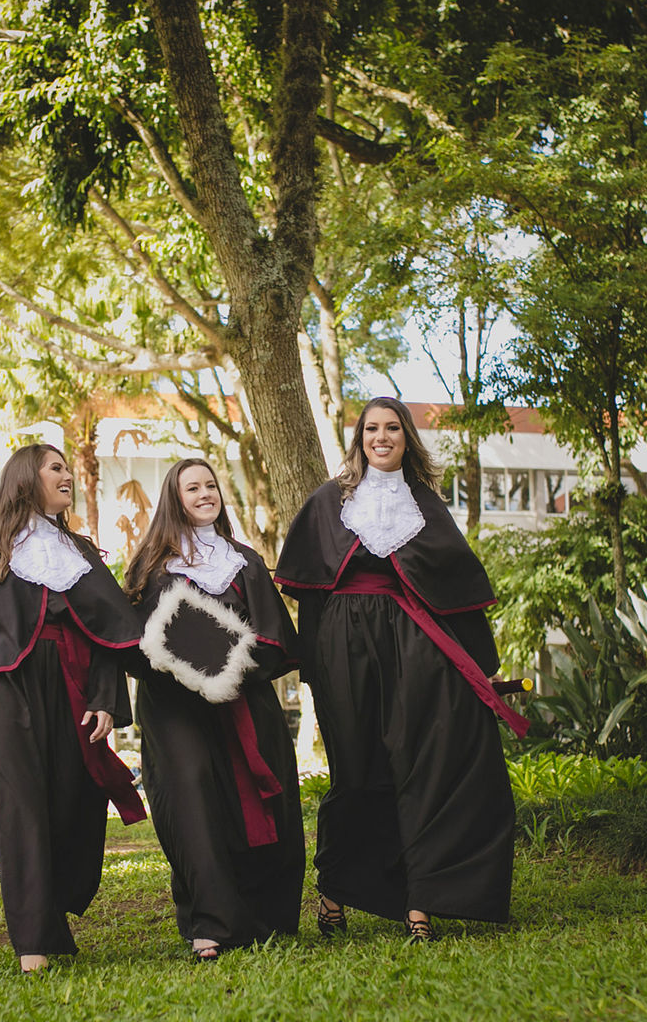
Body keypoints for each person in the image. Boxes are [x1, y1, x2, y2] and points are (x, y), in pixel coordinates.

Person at [275, 397, 529, 943]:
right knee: (354, 768)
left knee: (420, 760)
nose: (381, 437)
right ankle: (336, 889)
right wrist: (314, 664)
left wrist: (480, 667)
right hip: (344, 641)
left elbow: (454, 594)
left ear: (406, 438)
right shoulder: (328, 500)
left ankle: (421, 901)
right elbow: (312, 593)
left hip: (413, 642)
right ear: (360, 438)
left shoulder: (427, 504)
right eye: (372, 428)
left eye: (392, 428)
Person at [0, 443, 145, 973]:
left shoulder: (84, 556)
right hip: (2, 689)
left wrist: (107, 699)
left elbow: (109, 634)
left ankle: (52, 914)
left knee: (73, 801)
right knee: (18, 807)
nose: (68, 476)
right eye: (56, 468)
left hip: (73, 687)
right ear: (26, 479)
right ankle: (33, 945)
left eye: (68, 468)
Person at [124, 458, 304, 962]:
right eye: (192, 488)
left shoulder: (244, 561)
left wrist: (226, 667)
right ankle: (210, 922)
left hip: (244, 703)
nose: (205, 494)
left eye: (210, 485)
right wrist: (182, 663)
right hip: (174, 710)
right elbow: (131, 642)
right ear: (173, 498)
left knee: (260, 804)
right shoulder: (149, 567)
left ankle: (265, 913)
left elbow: (273, 640)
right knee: (192, 806)